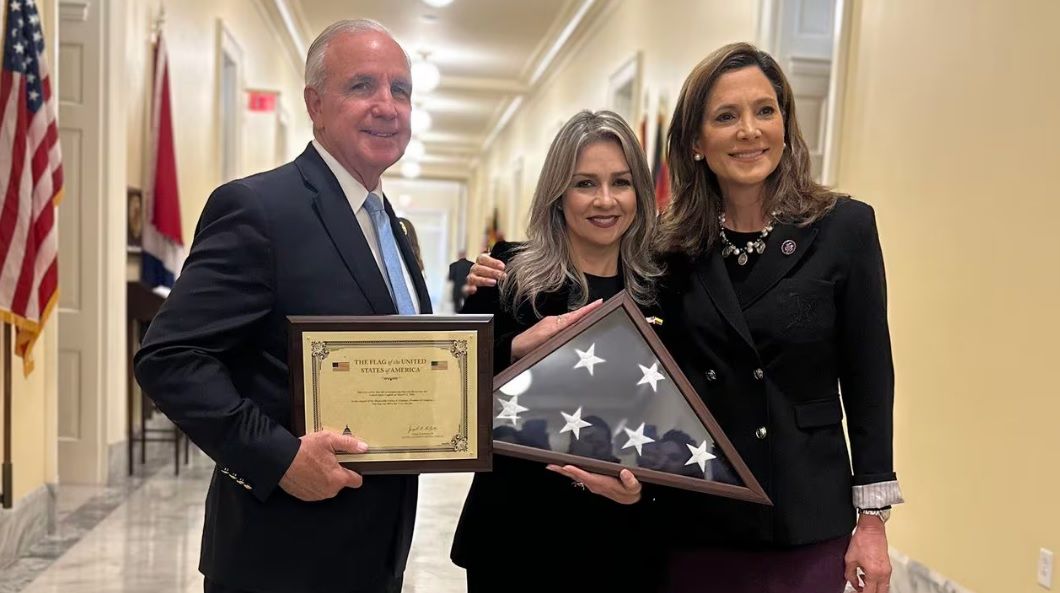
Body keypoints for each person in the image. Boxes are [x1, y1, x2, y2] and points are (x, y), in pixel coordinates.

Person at [466, 43, 902, 593]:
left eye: (765, 111)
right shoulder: (672, 249)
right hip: (696, 515)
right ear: (696, 142)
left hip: (804, 512)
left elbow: (870, 379)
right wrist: (481, 271)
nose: (749, 131)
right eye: (726, 116)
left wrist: (873, 520)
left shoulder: (845, 229)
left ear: (786, 125)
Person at [133, 19, 429, 593]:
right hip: (278, 557)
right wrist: (280, 458)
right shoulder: (257, 208)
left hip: (378, 552)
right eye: (363, 85)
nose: (387, 106)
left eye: (401, 90)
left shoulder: (396, 229)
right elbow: (169, 357)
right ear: (315, 103)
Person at [450, 110, 663, 592]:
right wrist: (517, 347)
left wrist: (642, 493)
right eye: (585, 183)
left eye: (621, 182)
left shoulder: (667, 288)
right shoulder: (504, 274)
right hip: (515, 537)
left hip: (625, 541)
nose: (605, 200)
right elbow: (451, 395)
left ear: (640, 194)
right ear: (558, 195)